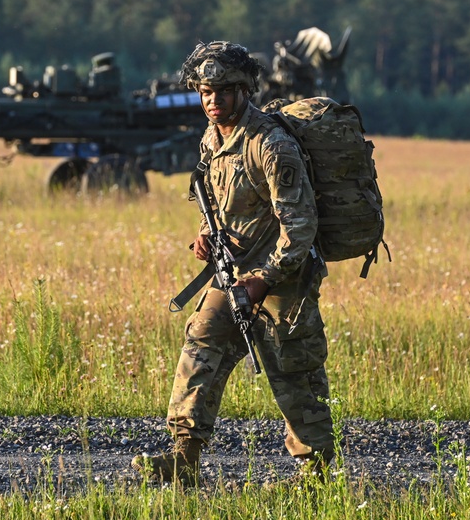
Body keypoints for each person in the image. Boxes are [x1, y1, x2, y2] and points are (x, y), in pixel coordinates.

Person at [132, 41, 334, 487]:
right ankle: (184, 459)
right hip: (233, 272)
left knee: (293, 372)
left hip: (285, 278)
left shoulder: (270, 144)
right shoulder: (211, 138)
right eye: (205, 92)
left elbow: (300, 226)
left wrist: (267, 278)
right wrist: (207, 234)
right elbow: (216, 202)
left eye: (222, 91)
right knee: (200, 347)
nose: (212, 101)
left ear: (244, 91)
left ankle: (317, 477)